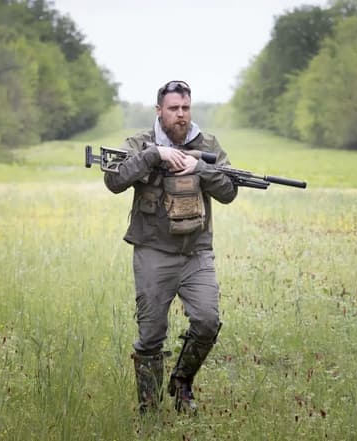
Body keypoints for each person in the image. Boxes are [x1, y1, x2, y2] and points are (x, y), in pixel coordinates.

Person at [102, 80, 238, 413]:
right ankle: (149, 408)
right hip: (153, 251)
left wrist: (200, 168)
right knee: (151, 334)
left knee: (207, 321)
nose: (181, 114)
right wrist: (154, 155)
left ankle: (182, 382)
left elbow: (229, 191)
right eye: (174, 108)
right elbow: (114, 180)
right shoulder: (139, 143)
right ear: (159, 110)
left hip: (196, 253)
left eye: (185, 108)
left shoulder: (207, 144)